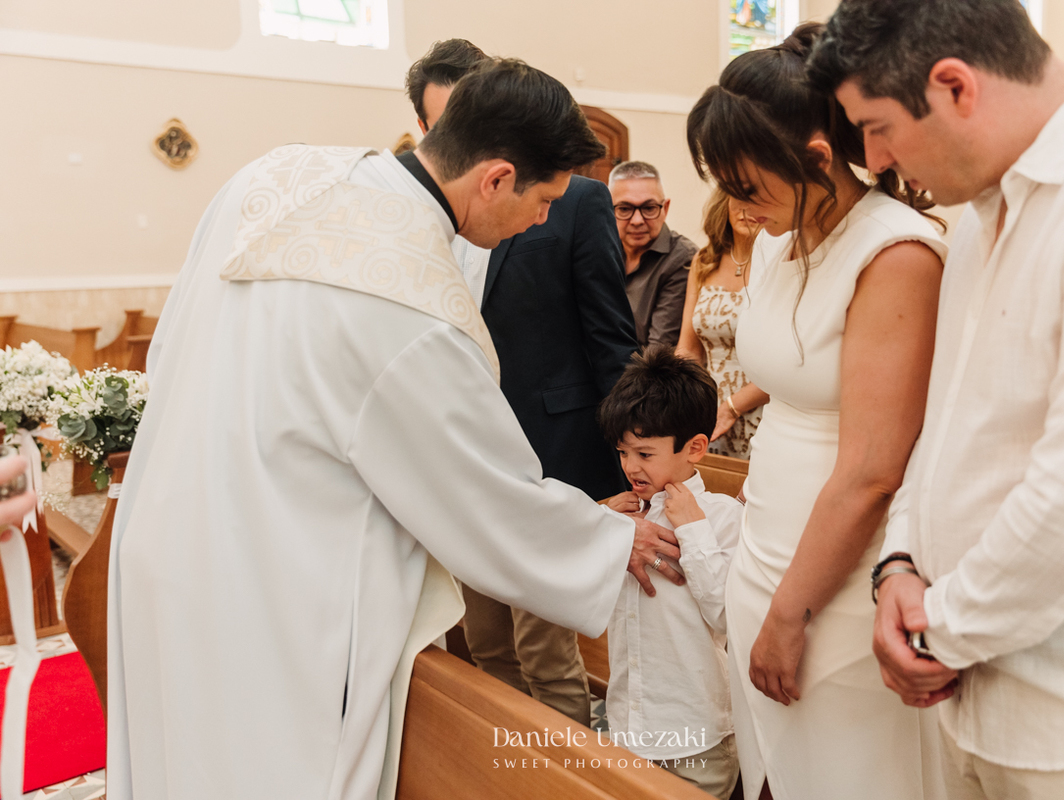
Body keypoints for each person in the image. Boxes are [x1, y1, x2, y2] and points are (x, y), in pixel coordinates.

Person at [106, 59, 686, 800]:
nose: (543, 220)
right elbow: (480, 489)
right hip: (274, 587)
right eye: (544, 199)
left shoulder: (278, 176)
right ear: (497, 178)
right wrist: (610, 540)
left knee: (176, 754)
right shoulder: (409, 302)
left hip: (169, 535)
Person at [811, 1, 1064, 798]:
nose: (876, 158)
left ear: (955, 86)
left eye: (877, 126)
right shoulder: (982, 213)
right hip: (973, 694)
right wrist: (899, 564)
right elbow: (947, 426)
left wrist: (942, 628)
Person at [687, 24, 948, 800]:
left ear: (818, 158)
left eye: (747, 185)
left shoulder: (895, 254)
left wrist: (790, 614)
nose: (736, 207)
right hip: (766, 544)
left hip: (838, 575)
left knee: (847, 775)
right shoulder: (780, 237)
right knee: (774, 770)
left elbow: (872, 470)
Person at [405, 39, 639, 727]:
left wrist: (624, 459)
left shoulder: (576, 202)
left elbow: (609, 336)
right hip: (466, 464)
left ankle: (566, 765)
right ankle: (511, 766)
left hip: (553, 451)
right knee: (484, 643)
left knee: (544, 647)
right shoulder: (417, 216)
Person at [597, 347, 742, 800]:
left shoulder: (720, 518)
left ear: (695, 447)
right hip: (628, 725)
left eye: (644, 452)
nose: (629, 466)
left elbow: (728, 618)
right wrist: (595, 527)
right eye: (622, 452)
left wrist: (693, 532)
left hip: (697, 735)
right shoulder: (620, 516)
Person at [676, 188, 768, 459]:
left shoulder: (784, 264)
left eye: (758, 199)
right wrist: (683, 404)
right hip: (708, 413)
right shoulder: (705, 260)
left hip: (765, 408)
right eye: (740, 197)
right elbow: (688, 349)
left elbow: (793, 361)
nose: (747, 209)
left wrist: (732, 407)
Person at [609, 161, 697, 349]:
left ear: (665, 208)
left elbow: (659, 351)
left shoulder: (683, 258)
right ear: (609, 210)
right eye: (624, 209)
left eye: (649, 208)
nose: (637, 220)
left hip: (648, 374)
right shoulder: (600, 251)